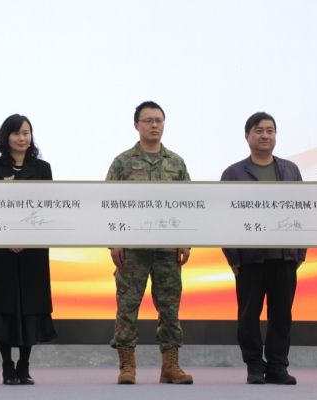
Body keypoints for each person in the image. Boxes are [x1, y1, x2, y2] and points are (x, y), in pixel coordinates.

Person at [106, 101, 193, 385]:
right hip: (132, 249)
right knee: (127, 306)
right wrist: (113, 242)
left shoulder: (176, 163)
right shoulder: (122, 162)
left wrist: (186, 241)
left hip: (167, 249)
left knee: (169, 308)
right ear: (136, 125)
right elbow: (107, 204)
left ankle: (170, 366)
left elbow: (189, 205)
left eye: (159, 120)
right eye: (148, 120)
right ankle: (127, 366)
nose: (154, 125)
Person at [221, 112, 306, 385]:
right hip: (249, 259)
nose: (265, 135)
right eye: (259, 130)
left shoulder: (290, 171)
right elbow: (223, 218)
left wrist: (300, 252)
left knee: (281, 315)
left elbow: (304, 212)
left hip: (284, 257)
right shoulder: (233, 174)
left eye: (270, 130)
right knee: (248, 315)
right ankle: (255, 366)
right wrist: (232, 257)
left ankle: (278, 367)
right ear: (247, 136)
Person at [0, 114, 57, 385]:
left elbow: (48, 208)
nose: (22, 138)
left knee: (30, 306)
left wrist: (27, 237)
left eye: (26, 133)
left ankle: (24, 365)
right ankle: (6, 366)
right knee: (3, 306)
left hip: (33, 249)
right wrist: (6, 238)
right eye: (16, 133)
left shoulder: (42, 169)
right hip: (1, 249)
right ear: (6, 137)